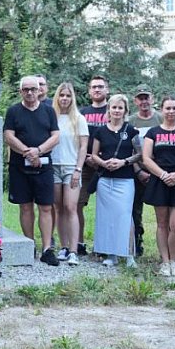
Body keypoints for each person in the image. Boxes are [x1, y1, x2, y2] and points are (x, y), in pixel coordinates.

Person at [4, 75, 60, 265]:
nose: (29, 92)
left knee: (45, 207)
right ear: (20, 91)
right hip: (19, 166)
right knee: (25, 206)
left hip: (44, 166)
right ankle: (29, 246)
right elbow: (9, 136)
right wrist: (27, 153)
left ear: (39, 90)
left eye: (33, 89)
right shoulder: (13, 111)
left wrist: (39, 151)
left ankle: (47, 249)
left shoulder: (49, 111)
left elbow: (55, 136)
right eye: (26, 89)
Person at [141, 96, 175, 276]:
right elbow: (147, 158)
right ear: (162, 110)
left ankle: (174, 260)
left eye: (174, 108)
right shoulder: (153, 132)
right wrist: (163, 174)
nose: (171, 111)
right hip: (160, 179)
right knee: (162, 224)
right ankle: (165, 261)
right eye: (167, 108)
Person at [91, 94, 142, 267]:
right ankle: (110, 254)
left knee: (124, 216)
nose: (117, 111)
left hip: (125, 179)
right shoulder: (100, 131)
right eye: (114, 107)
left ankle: (128, 254)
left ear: (125, 110)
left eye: (120, 108)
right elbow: (94, 155)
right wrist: (104, 162)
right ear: (109, 110)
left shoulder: (131, 130)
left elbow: (140, 154)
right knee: (106, 217)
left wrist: (123, 162)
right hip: (105, 180)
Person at [51, 82, 88, 265]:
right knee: (58, 209)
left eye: (68, 95)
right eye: (61, 95)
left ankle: (74, 250)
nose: (64, 98)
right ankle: (63, 247)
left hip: (71, 167)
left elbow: (83, 147)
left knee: (71, 207)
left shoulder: (79, 119)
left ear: (72, 98)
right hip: (53, 167)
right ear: (57, 97)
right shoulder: (51, 117)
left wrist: (78, 169)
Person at [77, 75, 110, 256]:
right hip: (84, 164)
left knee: (106, 207)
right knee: (77, 205)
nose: (97, 90)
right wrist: (87, 157)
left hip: (106, 165)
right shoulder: (82, 112)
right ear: (89, 91)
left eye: (100, 87)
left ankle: (104, 246)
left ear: (107, 89)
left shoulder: (113, 110)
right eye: (94, 87)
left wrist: (99, 158)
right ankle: (80, 243)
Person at [127, 85, 161, 257]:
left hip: (159, 171)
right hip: (137, 172)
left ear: (152, 99)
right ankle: (136, 243)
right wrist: (138, 170)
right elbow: (129, 149)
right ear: (135, 101)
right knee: (135, 210)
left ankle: (167, 246)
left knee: (163, 210)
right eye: (140, 98)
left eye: (146, 97)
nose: (144, 101)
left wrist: (158, 171)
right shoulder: (131, 121)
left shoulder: (160, 119)